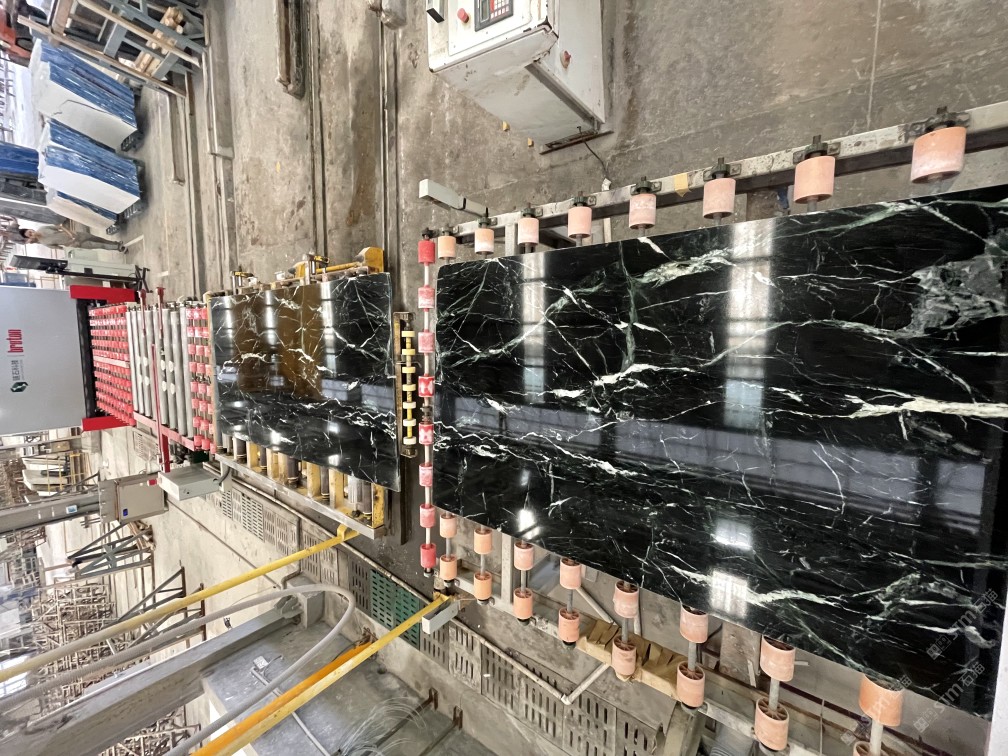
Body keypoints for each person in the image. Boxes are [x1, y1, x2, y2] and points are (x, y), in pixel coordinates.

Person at [20, 224, 125, 252]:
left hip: (77, 235)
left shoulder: (43, 228)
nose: (32, 234)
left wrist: (70, 233)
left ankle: (115, 243)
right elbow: (59, 247)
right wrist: (70, 245)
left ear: (31, 229)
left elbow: (60, 227)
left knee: (98, 239)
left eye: (30, 232)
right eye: (30, 235)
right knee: (99, 245)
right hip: (76, 243)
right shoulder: (44, 243)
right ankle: (118, 248)